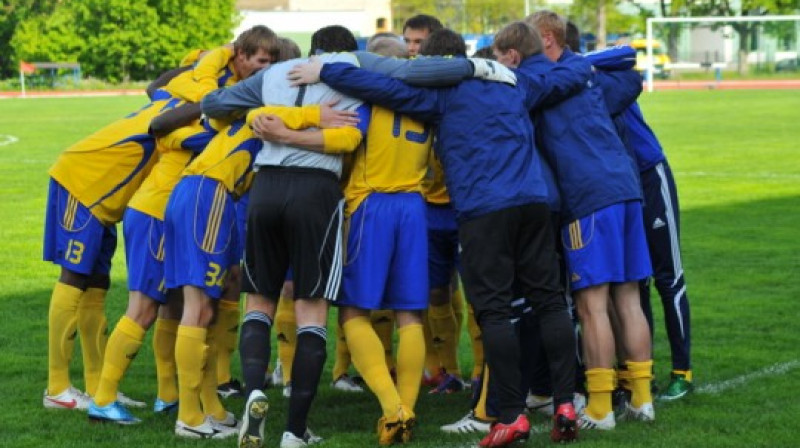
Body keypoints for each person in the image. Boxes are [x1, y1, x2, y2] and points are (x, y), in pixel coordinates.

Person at [287, 25, 590, 447]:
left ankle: (511, 415)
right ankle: (564, 403)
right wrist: (598, 61)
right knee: (549, 300)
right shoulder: (516, 84)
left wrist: (326, 70)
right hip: (534, 202)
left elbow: (382, 87)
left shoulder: (441, 96)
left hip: (482, 210)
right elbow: (567, 76)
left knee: (495, 311)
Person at [39, 24, 278, 411]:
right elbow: (164, 102)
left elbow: (158, 86)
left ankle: (102, 387)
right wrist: (218, 60)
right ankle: (58, 386)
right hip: (84, 180)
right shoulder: (200, 94)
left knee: (98, 285)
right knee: (77, 278)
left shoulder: (195, 93)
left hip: (119, 203)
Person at [522, 10, 654, 430]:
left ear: (545, 39)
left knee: (591, 304)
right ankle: (642, 398)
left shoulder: (544, 81)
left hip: (589, 198)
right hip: (626, 189)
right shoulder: (586, 74)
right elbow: (629, 70)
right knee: (628, 299)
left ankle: (599, 407)